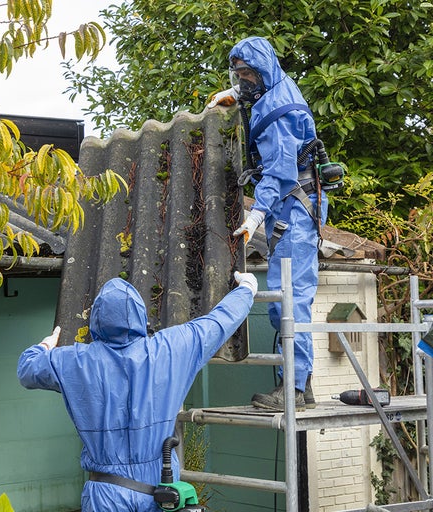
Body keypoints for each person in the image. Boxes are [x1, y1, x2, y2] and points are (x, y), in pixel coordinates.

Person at [17, 271, 257, 511]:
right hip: (161, 492)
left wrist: (46, 345)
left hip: (106, 495)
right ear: (140, 315)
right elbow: (218, 322)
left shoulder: (74, 361)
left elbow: (26, 369)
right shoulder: (171, 348)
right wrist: (247, 288)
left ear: (97, 320)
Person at [211, 36, 328, 412]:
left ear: (262, 70)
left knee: (289, 301)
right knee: (286, 301)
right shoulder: (271, 87)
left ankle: (292, 389)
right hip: (291, 211)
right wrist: (231, 93)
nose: (244, 80)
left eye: (248, 74)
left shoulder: (279, 111)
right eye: (238, 74)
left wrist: (256, 214)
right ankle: (300, 386)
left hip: (294, 208)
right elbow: (256, 91)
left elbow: (278, 173)